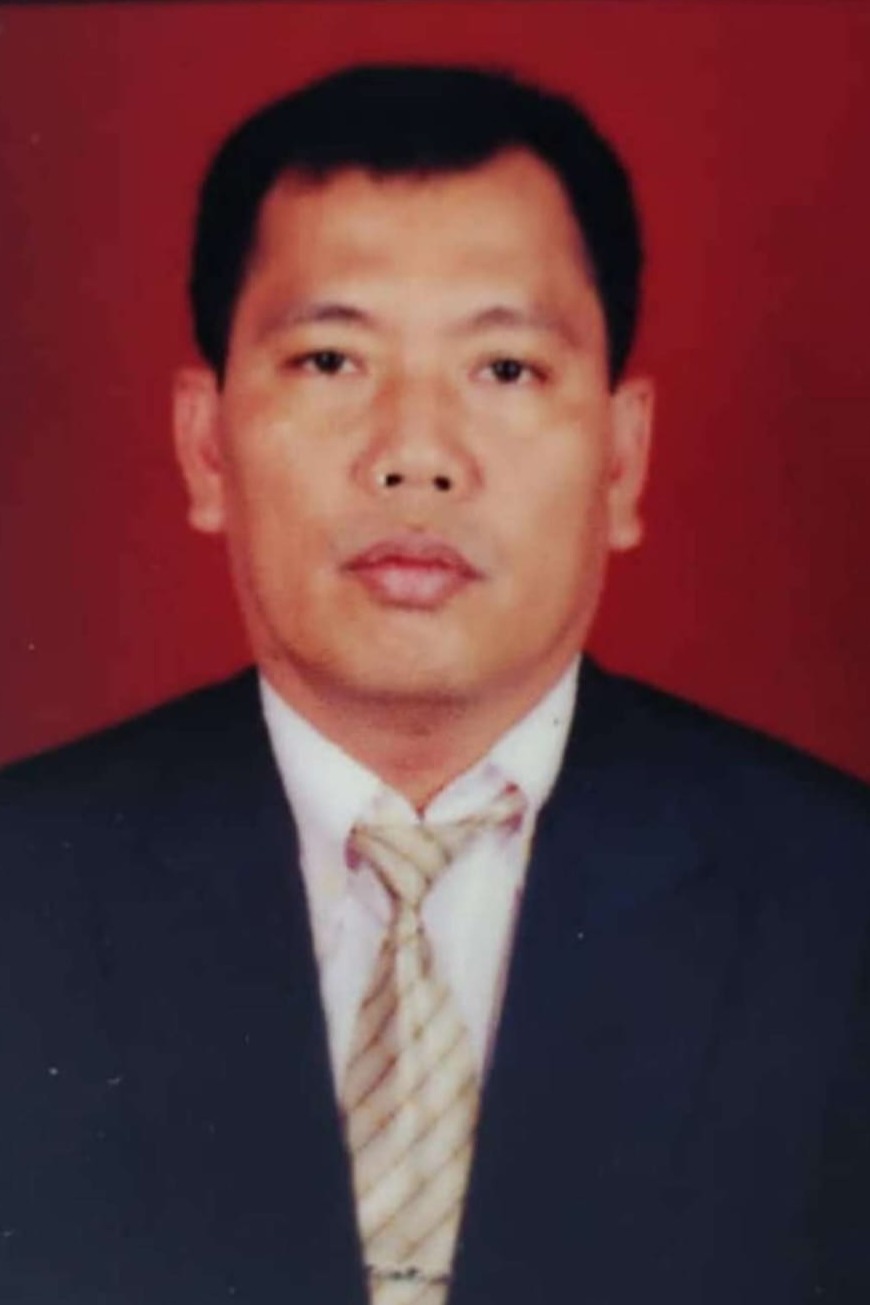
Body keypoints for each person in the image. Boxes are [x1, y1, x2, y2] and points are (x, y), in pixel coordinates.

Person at [0, 63, 868, 1305]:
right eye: (331, 360)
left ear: (622, 461)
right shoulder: (20, 897)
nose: (416, 457)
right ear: (206, 448)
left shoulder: (839, 914)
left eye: (504, 369)